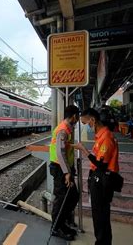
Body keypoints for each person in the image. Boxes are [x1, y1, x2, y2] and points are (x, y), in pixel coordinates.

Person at [75, 108, 120, 245]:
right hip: (98, 179)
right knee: (99, 214)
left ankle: (102, 242)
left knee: (100, 214)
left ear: (93, 120)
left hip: (103, 180)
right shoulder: (101, 136)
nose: (87, 126)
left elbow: (101, 164)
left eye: (86, 123)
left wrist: (84, 150)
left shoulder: (106, 137)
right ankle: (102, 241)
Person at [49, 105, 80, 241]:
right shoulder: (63, 130)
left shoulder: (68, 128)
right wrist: (67, 172)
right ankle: (55, 228)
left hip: (65, 168)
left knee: (72, 197)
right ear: (74, 116)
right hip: (60, 169)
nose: (78, 119)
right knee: (61, 199)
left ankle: (62, 224)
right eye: (77, 116)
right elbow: (59, 153)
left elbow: (65, 149)